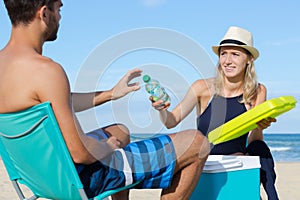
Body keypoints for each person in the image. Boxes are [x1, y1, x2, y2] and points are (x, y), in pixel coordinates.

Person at [0, 0, 210, 199]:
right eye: (59, 9)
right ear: (44, 13)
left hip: (41, 178)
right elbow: (81, 153)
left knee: (121, 130)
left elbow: (56, 100)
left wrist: (110, 94)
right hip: (80, 180)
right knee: (196, 142)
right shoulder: (47, 71)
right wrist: (110, 146)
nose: (60, 17)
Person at [151, 26, 279, 199]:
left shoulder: (257, 91)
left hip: (235, 162)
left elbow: (254, 139)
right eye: (223, 53)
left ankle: (273, 196)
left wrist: (260, 126)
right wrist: (162, 109)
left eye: (235, 54)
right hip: (202, 161)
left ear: (248, 59)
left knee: (260, 147)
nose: (227, 60)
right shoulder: (202, 88)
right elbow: (171, 121)